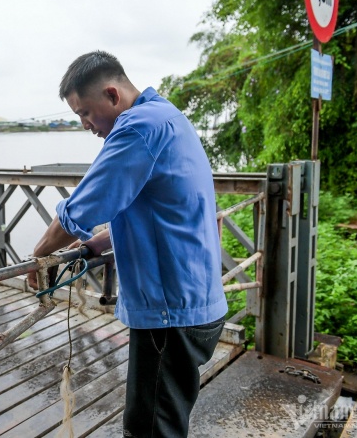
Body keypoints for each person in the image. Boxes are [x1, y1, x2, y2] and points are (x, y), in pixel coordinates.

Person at [31, 51, 227, 437]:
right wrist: (93, 246)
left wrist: (38, 255)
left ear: (112, 94)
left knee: (150, 431)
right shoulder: (167, 116)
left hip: (171, 315)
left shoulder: (138, 128)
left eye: (84, 113)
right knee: (161, 423)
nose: (85, 125)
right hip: (194, 305)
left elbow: (79, 210)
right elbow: (159, 213)